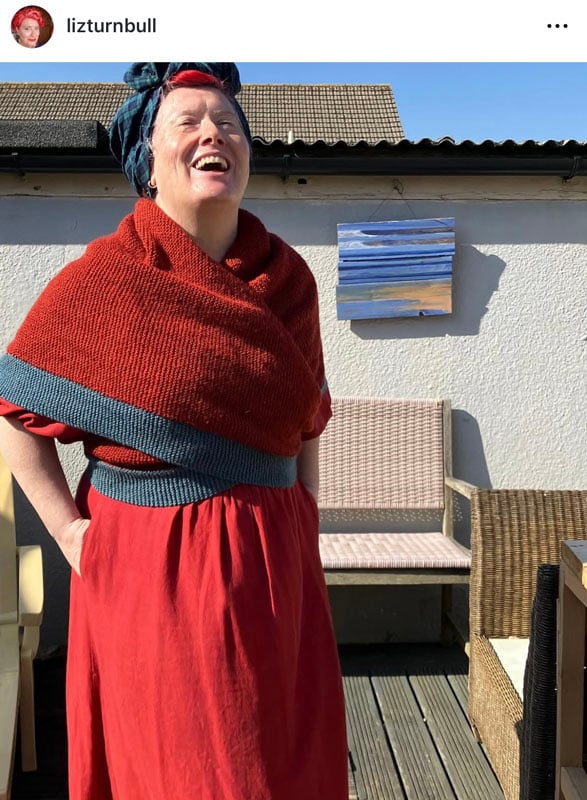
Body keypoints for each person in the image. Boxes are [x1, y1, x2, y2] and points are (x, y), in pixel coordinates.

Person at [0, 62, 348, 800]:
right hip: (152, 568)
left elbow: (308, 416)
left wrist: (306, 512)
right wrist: (68, 532)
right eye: (186, 121)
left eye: (226, 123)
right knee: (181, 770)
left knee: (281, 761)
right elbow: (15, 410)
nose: (211, 134)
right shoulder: (104, 281)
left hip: (275, 559)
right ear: (148, 160)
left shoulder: (290, 280)